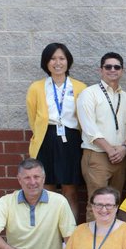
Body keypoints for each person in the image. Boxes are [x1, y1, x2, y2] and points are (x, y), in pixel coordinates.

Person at [25, 42, 87, 220]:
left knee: (70, 189)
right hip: (46, 139)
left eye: (62, 58)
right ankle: (50, 231)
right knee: (48, 188)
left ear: (68, 61)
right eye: (52, 59)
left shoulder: (80, 87)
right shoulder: (36, 87)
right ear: (46, 62)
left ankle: (70, 232)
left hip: (71, 140)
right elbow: (32, 118)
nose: (57, 63)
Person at [77, 52, 126, 217]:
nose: (112, 70)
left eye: (116, 67)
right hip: (97, 155)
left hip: (121, 156)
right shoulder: (89, 93)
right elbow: (89, 127)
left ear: (122, 71)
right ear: (101, 70)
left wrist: (124, 148)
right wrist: (109, 149)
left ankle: (111, 234)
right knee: (97, 204)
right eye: (108, 67)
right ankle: (93, 235)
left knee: (114, 204)